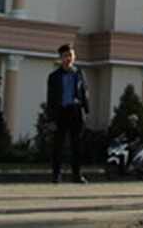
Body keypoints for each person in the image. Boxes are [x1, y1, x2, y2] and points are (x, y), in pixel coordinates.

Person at [46, 43, 90, 183]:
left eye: (71, 55)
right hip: (60, 112)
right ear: (60, 58)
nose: (68, 58)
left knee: (77, 145)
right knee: (58, 145)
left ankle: (76, 175)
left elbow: (84, 92)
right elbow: (51, 98)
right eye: (65, 56)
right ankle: (56, 175)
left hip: (76, 112)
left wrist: (86, 111)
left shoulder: (79, 73)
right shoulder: (54, 76)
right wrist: (51, 119)